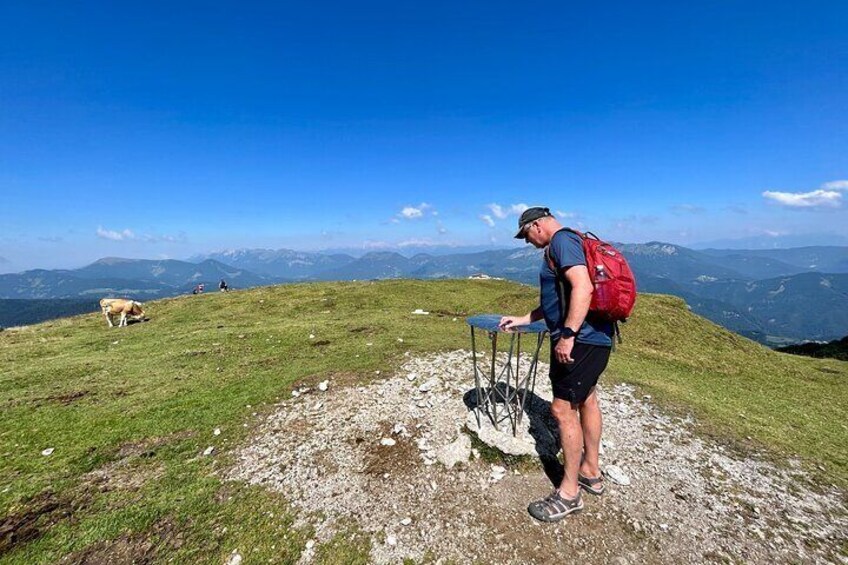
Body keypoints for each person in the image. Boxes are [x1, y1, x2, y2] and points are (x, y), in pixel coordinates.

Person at [499, 206, 614, 522]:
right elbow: (558, 296)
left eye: (526, 235)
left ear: (536, 225)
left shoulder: (561, 242)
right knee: (587, 398)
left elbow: (583, 287)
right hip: (596, 339)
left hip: (580, 340)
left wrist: (567, 335)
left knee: (562, 410)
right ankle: (591, 471)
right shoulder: (571, 241)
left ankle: (569, 493)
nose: (527, 242)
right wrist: (526, 318)